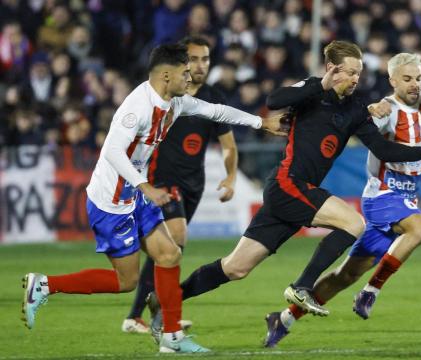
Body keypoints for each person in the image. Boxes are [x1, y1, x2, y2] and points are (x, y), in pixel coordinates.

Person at [146, 40, 421, 341]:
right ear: (331, 69)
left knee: (235, 268)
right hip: (287, 183)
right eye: (349, 72)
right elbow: (273, 101)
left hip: (297, 191)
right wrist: (319, 85)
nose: (354, 79)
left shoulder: (355, 110)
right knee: (354, 223)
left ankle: (165, 298)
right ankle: (302, 286)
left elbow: (385, 150)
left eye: (358, 74)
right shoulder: (310, 91)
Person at [21, 43, 286, 353]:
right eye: (184, 73)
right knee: (126, 281)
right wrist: (144, 185)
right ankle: (45, 285)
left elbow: (215, 111)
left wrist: (261, 122)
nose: (190, 78)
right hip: (112, 202)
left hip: (135, 194)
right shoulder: (138, 108)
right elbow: (112, 152)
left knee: (170, 255)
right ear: (165, 75)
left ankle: (171, 337)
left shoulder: (175, 102)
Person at [263, 54, 421, 347]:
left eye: (417, 78)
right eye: (406, 79)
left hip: (405, 197)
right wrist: (370, 108)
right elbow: (360, 119)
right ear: (392, 81)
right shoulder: (387, 109)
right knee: (420, 228)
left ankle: (284, 319)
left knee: (346, 274)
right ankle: (371, 292)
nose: (414, 84)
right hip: (381, 194)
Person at [121, 36, 239, 334]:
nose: (200, 65)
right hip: (162, 179)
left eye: (205, 59)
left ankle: (154, 309)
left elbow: (229, 146)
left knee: (171, 248)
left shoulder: (213, 98)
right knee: (175, 236)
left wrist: (230, 176)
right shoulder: (166, 95)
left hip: (193, 186)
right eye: (194, 59)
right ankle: (149, 313)